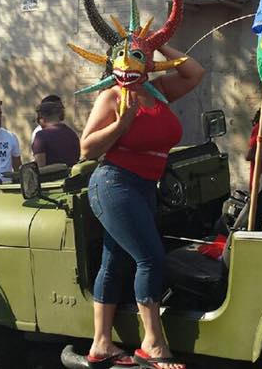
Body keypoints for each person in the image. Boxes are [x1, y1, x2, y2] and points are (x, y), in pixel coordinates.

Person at [80, 44, 204, 369]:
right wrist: (122, 124)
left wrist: (159, 42)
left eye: (141, 53)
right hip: (115, 184)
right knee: (150, 258)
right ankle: (152, 343)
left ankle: (101, 345)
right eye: (129, 52)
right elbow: (86, 149)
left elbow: (195, 72)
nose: (134, 59)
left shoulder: (159, 91)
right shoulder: (111, 96)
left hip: (145, 188)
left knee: (115, 259)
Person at [31, 100, 80, 167]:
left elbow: (40, 168)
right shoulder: (71, 132)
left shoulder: (41, 136)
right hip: (74, 176)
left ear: (42, 118)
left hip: (53, 177)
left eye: (37, 120)